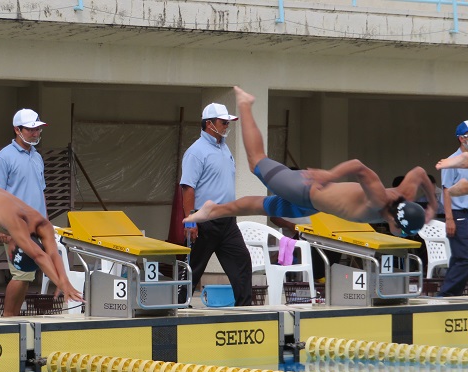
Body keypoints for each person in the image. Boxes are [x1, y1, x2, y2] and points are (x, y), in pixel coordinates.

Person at [184, 86, 438, 239]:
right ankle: (245, 104)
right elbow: (359, 167)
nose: (401, 235)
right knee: (257, 162)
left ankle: (212, 210)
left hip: (311, 206)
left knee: (260, 207)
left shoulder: (405, 195)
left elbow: (419, 173)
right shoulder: (379, 199)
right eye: (402, 231)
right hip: (306, 189)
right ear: (395, 220)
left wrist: (432, 205)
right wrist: (330, 175)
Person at [178, 102, 252, 306]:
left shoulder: (224, 148)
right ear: (209, 124)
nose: (227, 125)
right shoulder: (196, 152)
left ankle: (245, 308)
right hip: (205, 220)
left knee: (242, 260)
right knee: (193, 267)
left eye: (228, 122)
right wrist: (190, 221)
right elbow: (187, 188)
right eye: (223, 122)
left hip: (227, 220)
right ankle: (178, 306)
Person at [0, 108, 51, 316]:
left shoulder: (37, 157)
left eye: (38, 129)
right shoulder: (4, 157)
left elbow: (40, 192)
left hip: (34, 227)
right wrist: (1, 227)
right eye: (31, 129)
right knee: (20, 274)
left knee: (27, 274)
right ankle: (8, 318)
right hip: (14, 226)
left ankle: (13, 317)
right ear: (17, 130)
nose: (36, 133)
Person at [433, 121, 468, 296]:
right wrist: (449, 219)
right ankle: (446, 295)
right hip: (459, 213)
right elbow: (446, 190)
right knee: (464, 257)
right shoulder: (452, 161)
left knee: (459, 257)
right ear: (462, 139)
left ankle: (452, 295)